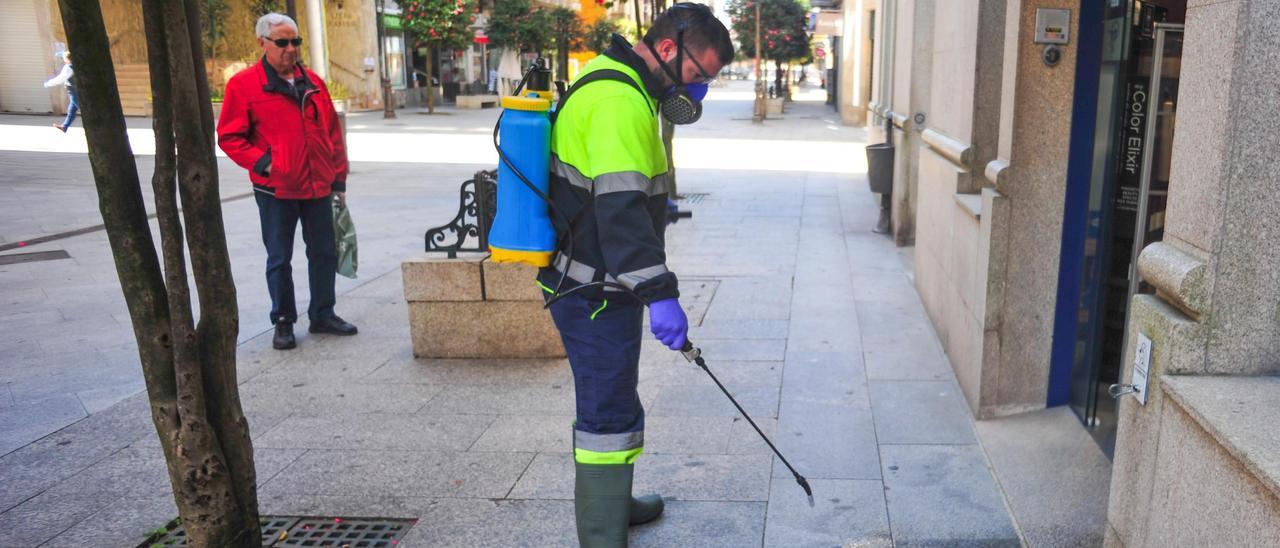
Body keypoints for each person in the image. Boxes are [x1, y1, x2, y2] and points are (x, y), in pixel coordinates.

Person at [535, 4, 733, 546]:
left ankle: (615, 501)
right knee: (605, 407)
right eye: (698, 76)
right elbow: (621, 216)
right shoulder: (620, 100)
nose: (697, 93)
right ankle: (602, 532)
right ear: (669, 49)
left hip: (601, 282)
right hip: (593, 287)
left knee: (617, 393)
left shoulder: (625, 86)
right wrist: (659, 294)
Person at [217, 13, 357, 350]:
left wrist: (338, 179)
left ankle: (323, 313)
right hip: (276, 188)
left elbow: (332, 135)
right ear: (262, 43)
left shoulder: (314, 83)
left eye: (295, 42)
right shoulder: (244, 85)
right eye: (282, 42)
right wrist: (266, 163)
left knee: (323, 252)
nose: (290, 48)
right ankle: (283, 320)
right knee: (279, 258)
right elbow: (229, 136)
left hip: (318, 185)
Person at [43, 52, 77, 133]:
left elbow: (60, 78)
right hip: (74, 90)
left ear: (68, 59)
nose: (63, 59)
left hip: (74, 91)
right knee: (71, 110)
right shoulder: (75, 65)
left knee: (83, 108)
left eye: (64, 58)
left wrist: (49, 83)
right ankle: (64, 126)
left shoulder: (69, 68)